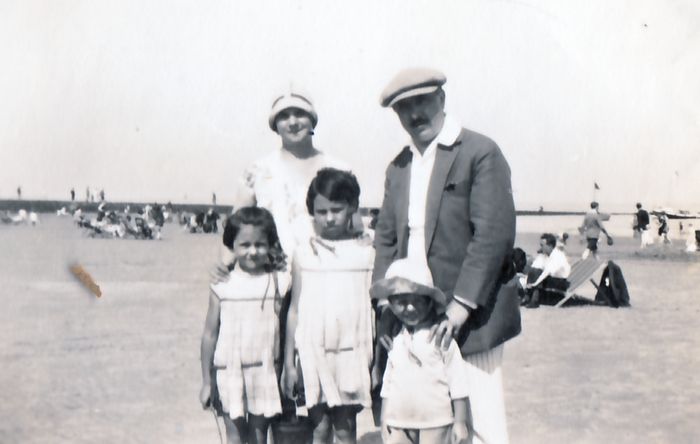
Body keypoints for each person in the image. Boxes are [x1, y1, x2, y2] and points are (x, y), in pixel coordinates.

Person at [373, 68, 518, 444]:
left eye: (422, 101)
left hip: (470, 317)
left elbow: (493, 236)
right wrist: (385, 306)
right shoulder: (399, 167)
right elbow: (386, 240)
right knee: (422, 421)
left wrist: (461, 307)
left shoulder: (479, 152)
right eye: (404, 107)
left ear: (441, 98)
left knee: (481, 423)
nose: (415, 114)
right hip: (413, 316)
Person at [282, 168, 374, 444]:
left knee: (345, 428)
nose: (330, 218)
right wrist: (289, 363)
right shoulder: (304, 253)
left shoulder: (366, 253)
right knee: (319, 427)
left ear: (352, 206)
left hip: (351, 352)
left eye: (337, 210)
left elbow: (373, 309)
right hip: (312, 351)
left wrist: (377, 363)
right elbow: (294, 310)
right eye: (321, 212)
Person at [200, 207, 290, 444]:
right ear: (232, 245)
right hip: (228, 370)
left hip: (264, 370)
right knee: (235, 437)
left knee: (259, 437)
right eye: (245, 244)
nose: (253, 251)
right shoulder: (222, 284)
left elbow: (286, 328)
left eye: (260, 244)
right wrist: (207, 382)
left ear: (271, 244)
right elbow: (209, 334)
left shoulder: (279, 281)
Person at [232, 91, 351, 258]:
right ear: (275, 125)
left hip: (326, 266)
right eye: (284, 116)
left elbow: (355, 227)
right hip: (274, 267)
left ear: (312, 120)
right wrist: (224, 265)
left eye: (300, 114)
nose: (293, 122)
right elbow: (235, 230)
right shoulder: (257, 171)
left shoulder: (339, 168)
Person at [370, 258, 470, 444]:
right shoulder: (396, 339)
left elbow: (458, 383)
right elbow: (388, 383)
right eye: (401, 302)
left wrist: (460, 422)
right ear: (390, 303)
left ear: (430, 302)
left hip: (436, 421)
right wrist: (384, 417)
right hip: (398, 421)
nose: (410, 308)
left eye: (417, 301)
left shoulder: (440, 337)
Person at [522, 233, 571, 308]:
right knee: (534, 270)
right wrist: (527, 281)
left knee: (537, 272)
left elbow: (546, 272)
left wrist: (535, 284)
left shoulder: (557, 256)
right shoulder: (545, 255)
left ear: (550, 246)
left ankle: (534, 300)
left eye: (542, 245)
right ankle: (528, 298)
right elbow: (535, 267)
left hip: (561, 282)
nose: (541, 247)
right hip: (551, 279)